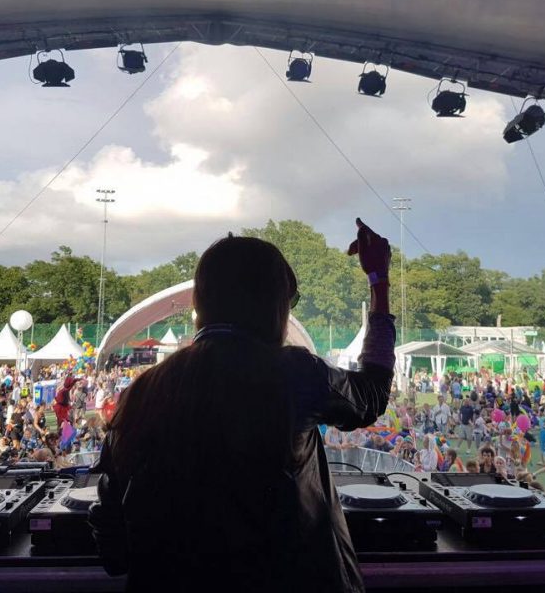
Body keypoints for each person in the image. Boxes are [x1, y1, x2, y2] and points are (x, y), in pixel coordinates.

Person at [90, 219, 395, 592]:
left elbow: (114, 551)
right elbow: (372, 394)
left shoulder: (140, 394)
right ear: (273, 306)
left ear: (201, 303)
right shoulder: (296, 374)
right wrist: (378, 280)